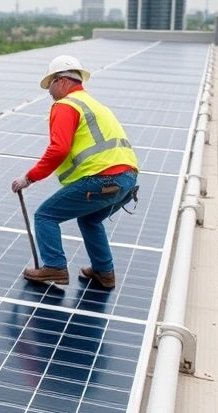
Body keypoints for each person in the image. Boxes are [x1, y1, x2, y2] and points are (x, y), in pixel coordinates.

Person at [10, 55, 139, 289]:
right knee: (89, 220)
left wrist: (29, 178)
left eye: (50, 84)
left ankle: (55, 267)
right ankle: (104, 272)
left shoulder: (66, 105)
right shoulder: (94, 104)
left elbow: (59, 149)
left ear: (61, 81)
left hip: (102, 178)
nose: (49, 91)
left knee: (45, 215)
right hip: (127, 180)